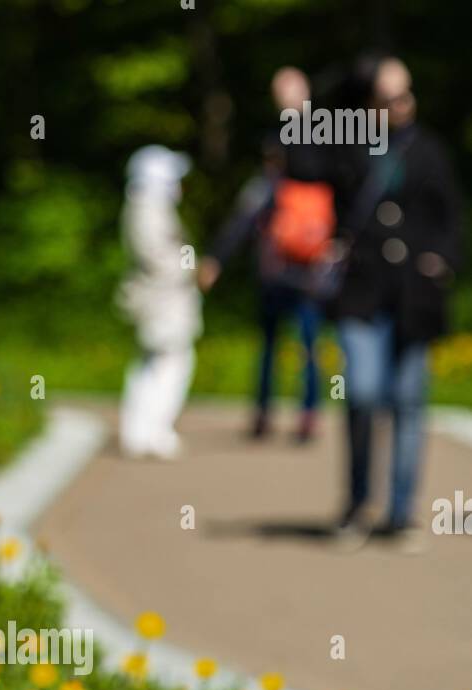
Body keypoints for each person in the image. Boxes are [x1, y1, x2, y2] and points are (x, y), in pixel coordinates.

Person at [331, 58, 464, 550]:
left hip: (414, 296)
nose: (402, 105)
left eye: (407, 95)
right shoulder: (346, 148)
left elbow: (450, 218)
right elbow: (301, 158)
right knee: (362, 393)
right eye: (389, 97)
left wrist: (441, 260)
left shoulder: (429, 151)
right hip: (361, 293)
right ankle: (356, 501)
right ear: (368, 103)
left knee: (408, 402)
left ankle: (401, 512)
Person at [198, 67, 334, 442]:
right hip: (280, 268)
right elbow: (246, 214)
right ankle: (272, 411)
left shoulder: (317, 144)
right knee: (277, 343)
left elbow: (249, 211)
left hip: (306, 267)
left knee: (303, 344)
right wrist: (218, 257)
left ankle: (300, 412)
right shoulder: (281, 164)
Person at [117, 145, 202, 460]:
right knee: (166, 364)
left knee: (156, 363)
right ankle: (150, 431)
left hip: (164, 302)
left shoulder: (146, 207)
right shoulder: (146, 209)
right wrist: (191, 268)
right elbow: (158, 258)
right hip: (162, 303)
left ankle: (142, 431)